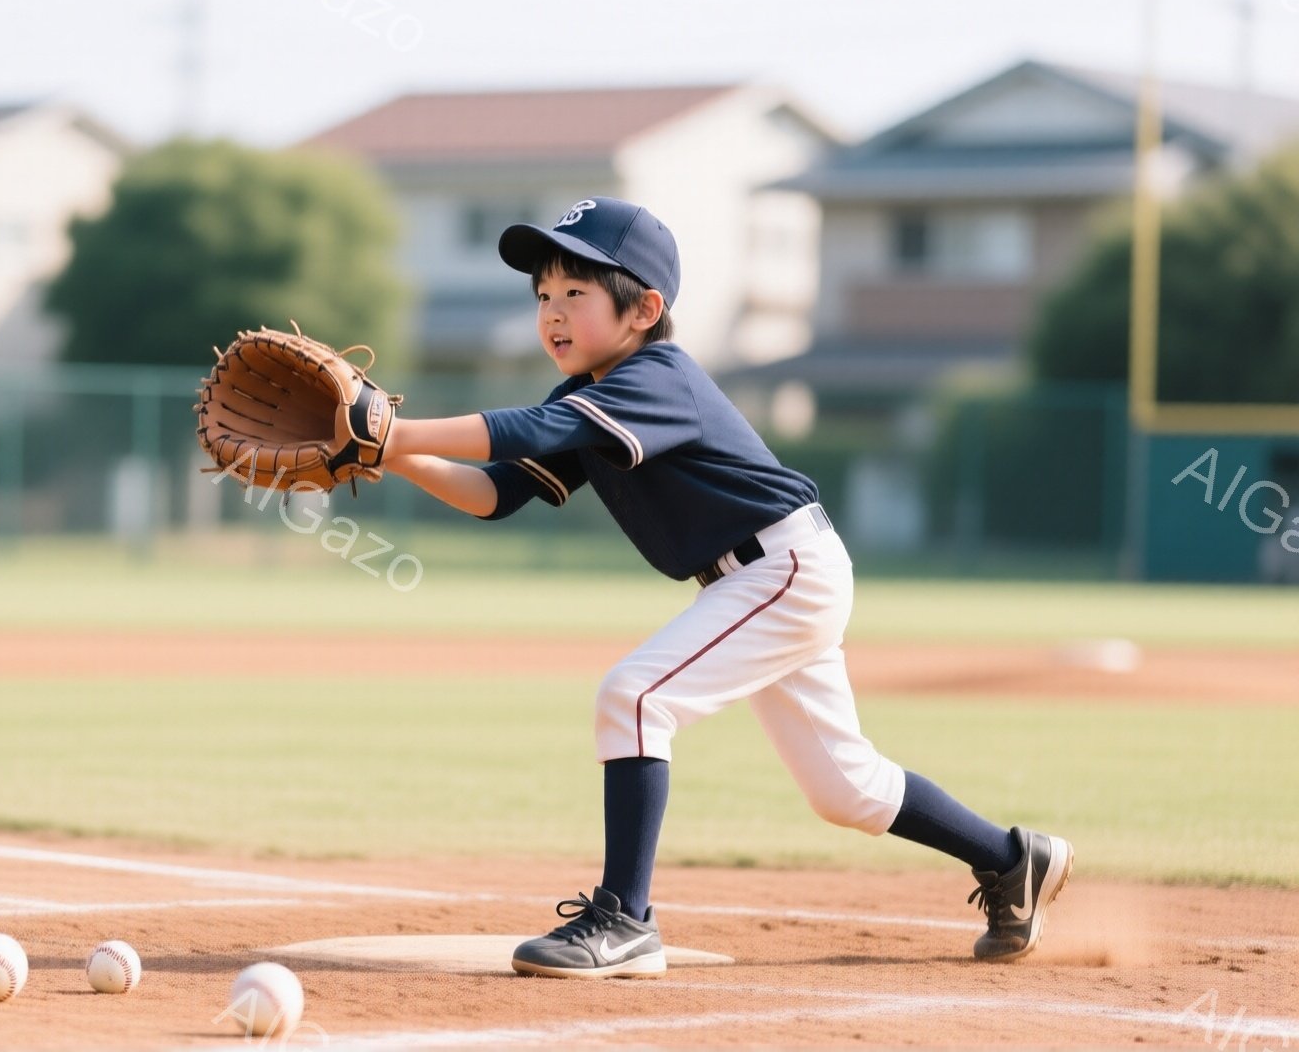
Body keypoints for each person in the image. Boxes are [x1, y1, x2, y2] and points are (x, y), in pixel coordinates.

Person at [379, 196, 1073, 978]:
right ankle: (1012, 858)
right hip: (764, 578)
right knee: (845, 789)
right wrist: (386, 454)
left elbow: (529, 432)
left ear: (645, 309)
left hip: (782, 569)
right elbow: (494, 493)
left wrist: (392, 428)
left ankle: (625, 918)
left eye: (576, 291)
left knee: (635, 697)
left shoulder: (657, 376)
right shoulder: (586, 399)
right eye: (543, 295)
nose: (553, 312)